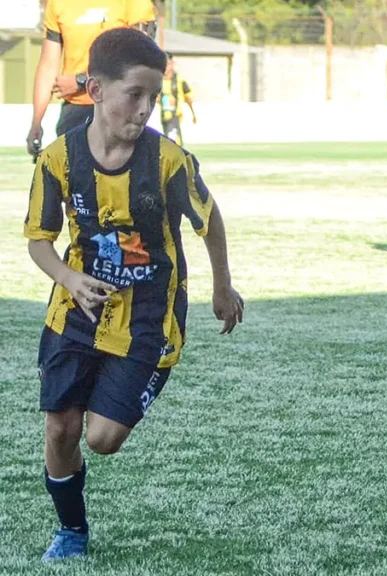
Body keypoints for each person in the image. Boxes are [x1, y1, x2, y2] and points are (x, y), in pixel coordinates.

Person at [24, 28, 244, 561]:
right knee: (60, 428)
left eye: (153, 96)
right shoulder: (57, 159)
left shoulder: (168, 161)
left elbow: (210, 220)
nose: (145, 108)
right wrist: (70, 279)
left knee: (101, 439)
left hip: (149, 315)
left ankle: (121, 382)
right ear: (96, 90)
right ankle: (72, 531)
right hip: (75, 311)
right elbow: (39, 241)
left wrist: (222, 285)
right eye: (135, 94)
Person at [27, 0, 158, 159]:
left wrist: (82, 81)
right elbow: (48, 65)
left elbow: (138, 55)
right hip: (75, 111)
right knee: (72, 171)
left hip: (121, 107)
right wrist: (36, 122)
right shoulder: (58, 3)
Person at [160, 52, 197, 145]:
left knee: (173, 143)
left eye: (168, 64)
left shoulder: (179, 80)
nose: (166, 67)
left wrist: (193, 114)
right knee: (169, 143)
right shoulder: (159, 80)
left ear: (172, 64)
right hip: (164, 117)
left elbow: (188, 98)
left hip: (175, 117)